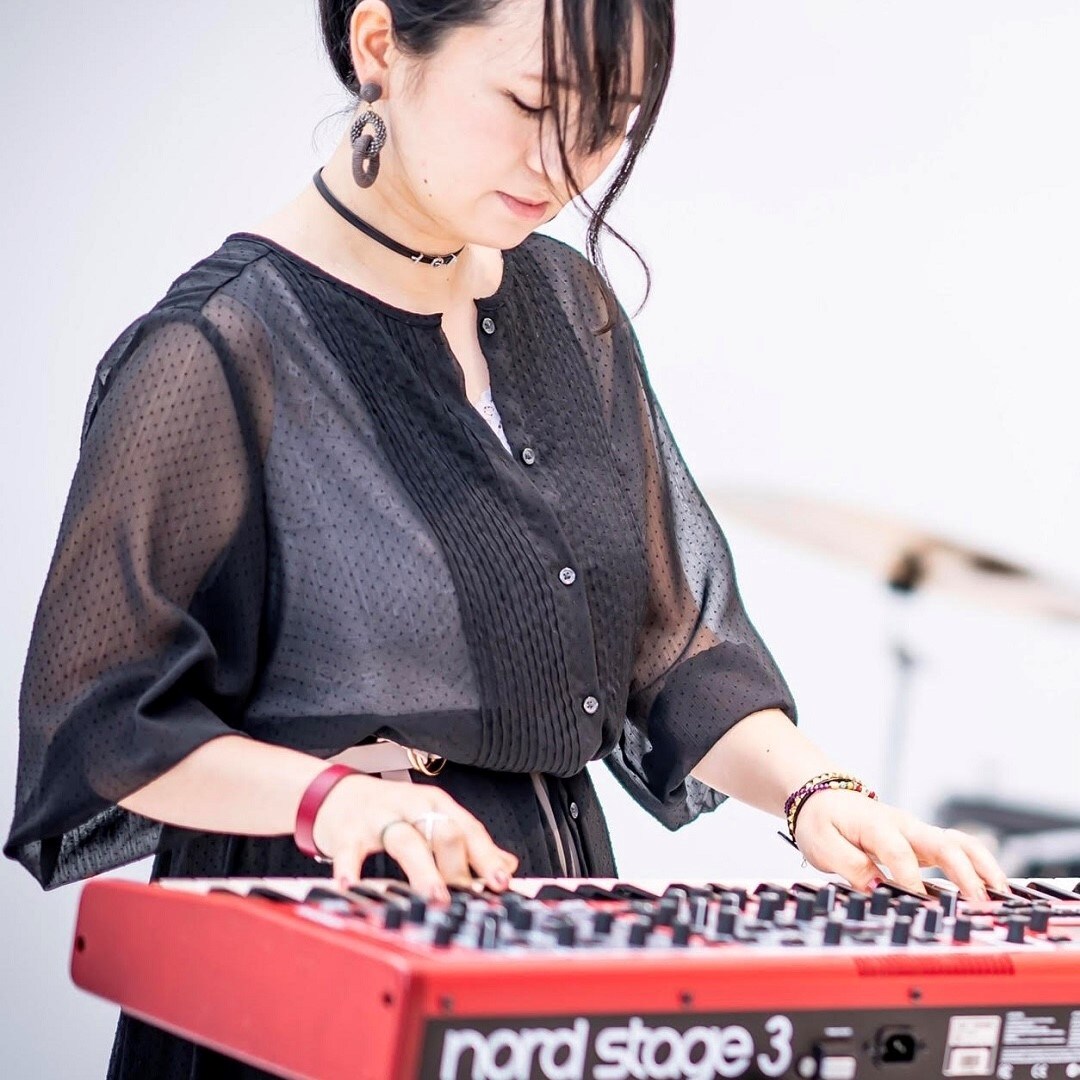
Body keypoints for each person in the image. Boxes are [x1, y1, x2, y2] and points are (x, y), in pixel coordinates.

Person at [6, 1, 1009, 1076]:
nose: (564, 162)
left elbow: (669, 651)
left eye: (609, 124)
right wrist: (329, 798)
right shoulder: (217, 350)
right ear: (380, 46)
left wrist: (819, 796)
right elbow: (103, 723)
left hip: (549, 941)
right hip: (310, 965)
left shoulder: (567, 305)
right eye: (531, 104)